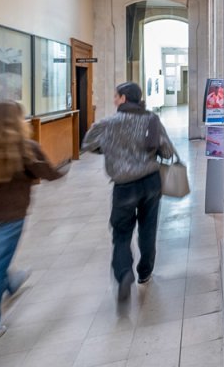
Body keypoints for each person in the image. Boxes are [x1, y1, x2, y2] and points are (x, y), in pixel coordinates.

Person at [0, 101, 68, 352]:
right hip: (9, 217)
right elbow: (48, 173)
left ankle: (13, 282)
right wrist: (61, 167)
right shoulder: (24, 147)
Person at [82, 82, 175, 301]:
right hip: (150, 182)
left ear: (123, 98)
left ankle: (123, 273)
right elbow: (168, 150)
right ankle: (145, 271)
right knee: (148, 228)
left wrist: (111, 150)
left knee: (121, 233)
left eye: (116, 96)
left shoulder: (107, 124)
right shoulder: (151, 120)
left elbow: (88, 144)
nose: (114, 100)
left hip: (124, 186)